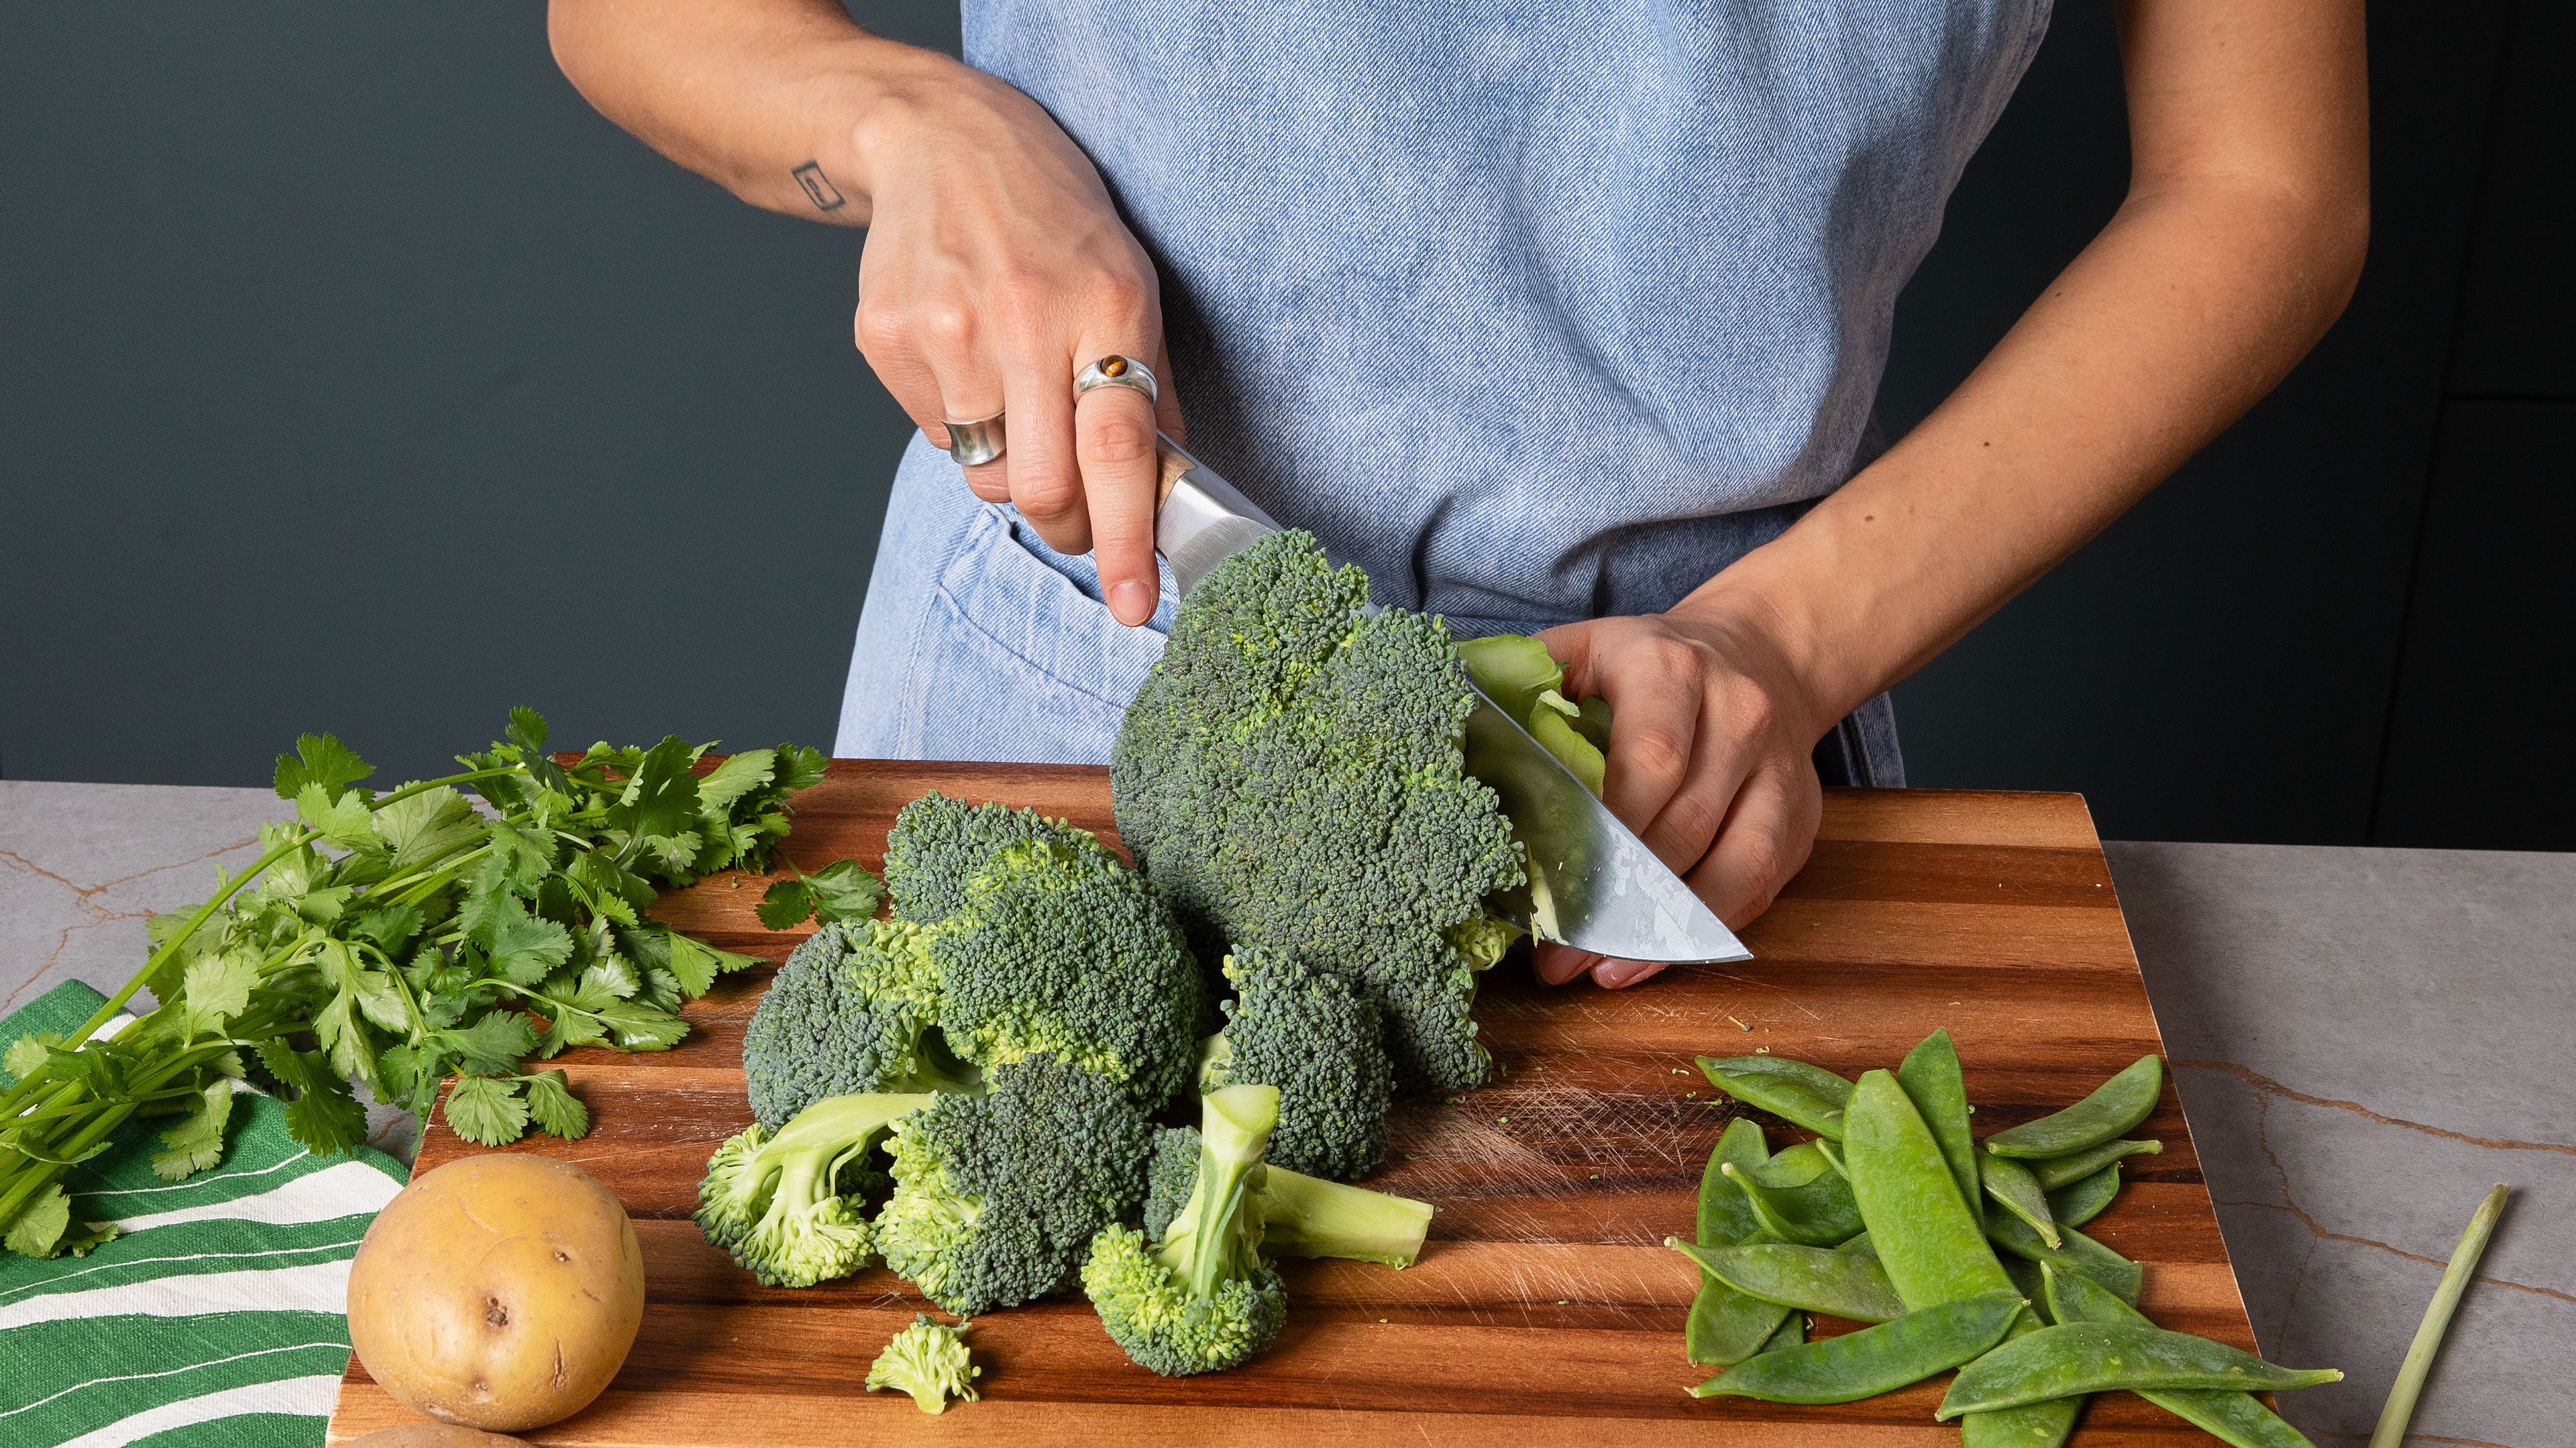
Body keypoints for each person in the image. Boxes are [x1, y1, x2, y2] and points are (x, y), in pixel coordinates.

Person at [550, 0, 2365, 987]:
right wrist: (912, 125)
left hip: (1680, 757)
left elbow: (2262, 189)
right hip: (1066, 659)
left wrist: (1781, 645)